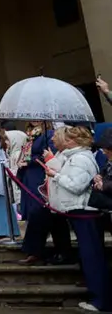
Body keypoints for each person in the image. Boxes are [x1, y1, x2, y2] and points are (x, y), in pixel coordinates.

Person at [42, 125, 107, 312]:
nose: (57, 139)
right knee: (90, 255)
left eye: (63, 137)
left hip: (84, 211)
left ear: (73, 141)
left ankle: (100, 300)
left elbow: (76, 186)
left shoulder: (79, 159)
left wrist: (56, 176)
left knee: (92, 256)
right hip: (80, 211)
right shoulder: (75, 157)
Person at [19, 121, 72, 264]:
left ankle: (55, 251)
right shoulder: (32, 136)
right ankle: (36, 251)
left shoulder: (51, 138)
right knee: (39, 215)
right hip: (40, 181)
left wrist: (37, 160)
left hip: (51, 183)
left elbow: (55, 162)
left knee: (45, 214)